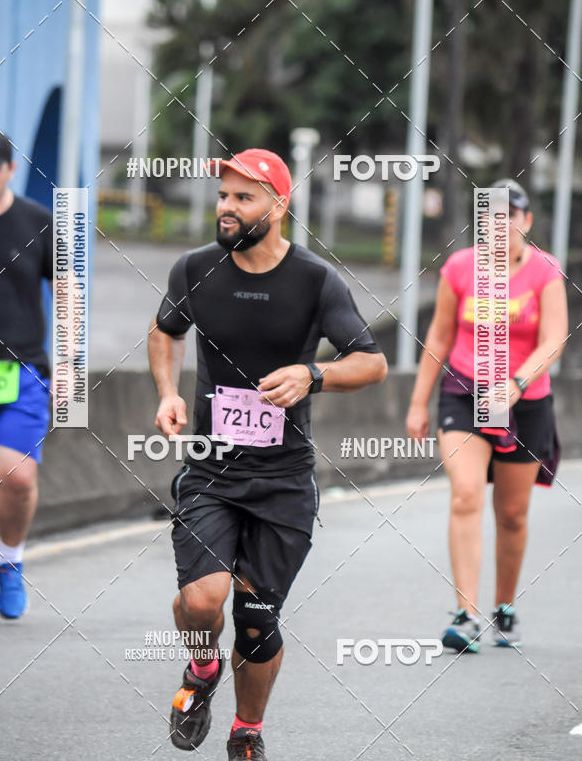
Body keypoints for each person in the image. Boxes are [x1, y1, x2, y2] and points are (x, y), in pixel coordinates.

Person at [148, 148, 387, 760]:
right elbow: (165, 330)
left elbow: (373, 362)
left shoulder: (314, 280)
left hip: (283, 480)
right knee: (202, 599)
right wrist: (169, 392)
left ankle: (246, 730)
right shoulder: (194, 268)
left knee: (256, 620)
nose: (227, 207)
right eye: (223, 196)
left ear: (278, 206)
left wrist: (314, 374)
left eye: (243, 197)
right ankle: (202, 669)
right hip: (210, 470)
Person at [406, 179, 567, 652]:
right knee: (466, 494)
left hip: (526, 400)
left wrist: (517, 382)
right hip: (464, 392)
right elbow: (437, 336)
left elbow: (554, 338)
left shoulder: (544, 271)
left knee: (512, 514)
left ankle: (504, 606)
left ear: (526, 221)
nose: (501, 225)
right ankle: (467, 613)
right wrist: (418, 402)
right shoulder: (459, 268)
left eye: (510, 216)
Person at [0, 129, 53, 623]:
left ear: (9, 169)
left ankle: (10, 559)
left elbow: (69, 295)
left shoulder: (39, 222)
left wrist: (70, 370)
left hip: (22, 368)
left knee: (17, 476)